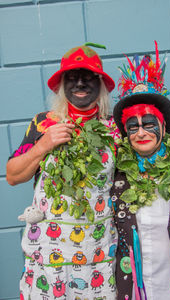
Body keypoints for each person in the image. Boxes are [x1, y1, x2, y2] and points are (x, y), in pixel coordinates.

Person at [6, 43, 120, 299]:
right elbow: (13, 176)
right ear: (62, 84)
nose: (80, 84)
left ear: (100, 83)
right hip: (49, 253)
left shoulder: (114, 128)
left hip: (97, 253)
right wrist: (43, 145)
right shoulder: (43, 122)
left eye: (88, 76)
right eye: (72, 77)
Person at [111, 41, 170, 300]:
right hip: (134, 286)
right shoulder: (114, 171)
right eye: (132, 126)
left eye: (148, 124)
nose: (140, 133)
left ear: (162, 126)